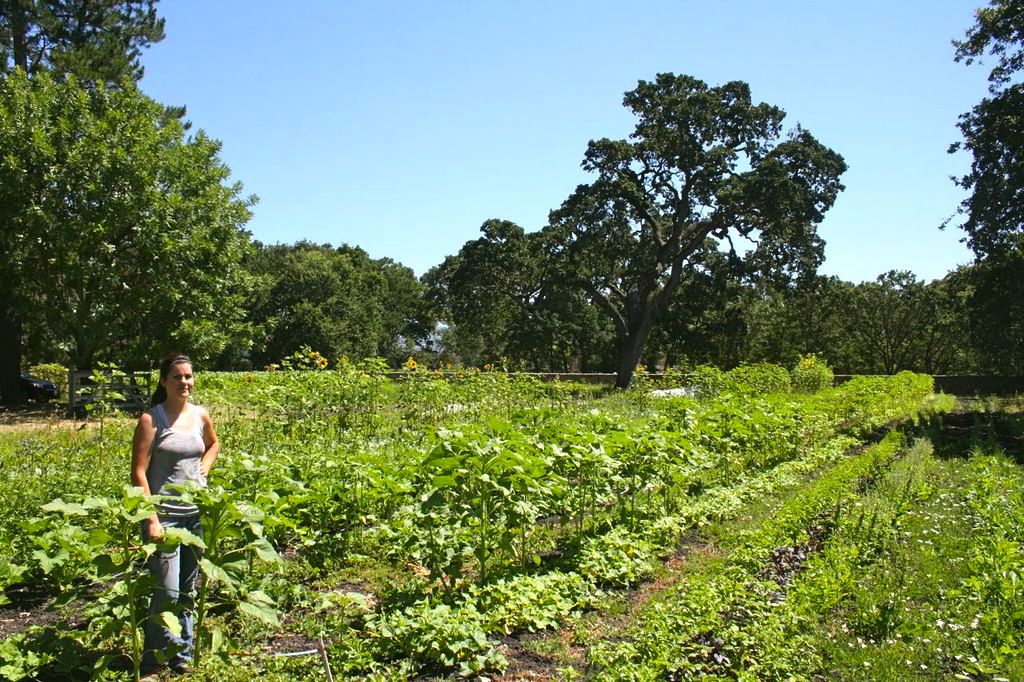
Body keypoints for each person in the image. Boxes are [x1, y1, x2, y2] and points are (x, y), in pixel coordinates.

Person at [131, 354, 220, 674]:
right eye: (177, 377)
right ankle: (152, 664)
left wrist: (204, 470)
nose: (184, 382)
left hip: (194, 516)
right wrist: (150, 518)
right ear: (163, 381)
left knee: (187, 589)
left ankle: (181, 656)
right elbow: (139, 474)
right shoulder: (151, 420)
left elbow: (213, 444)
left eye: (189, 376)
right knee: (166, 593)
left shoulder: (200, 415)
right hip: (164, 517)